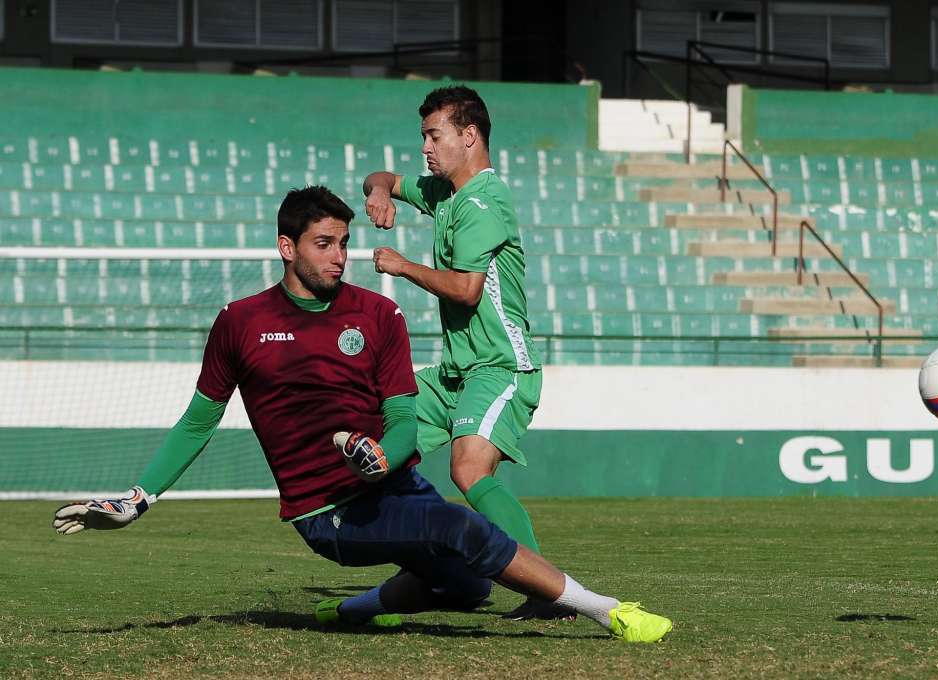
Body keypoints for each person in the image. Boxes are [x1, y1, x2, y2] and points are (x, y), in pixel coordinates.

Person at [52, 186, 672, 643]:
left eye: (344, 244)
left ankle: (351, 610)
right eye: (323, 244)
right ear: (286, 247)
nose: (338, 257)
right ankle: (606, 610)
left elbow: (402, 418)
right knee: (458, 527)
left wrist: (383, 456)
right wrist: (139, 497)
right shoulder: (240, 323)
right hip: (326, 512)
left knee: (468, 586)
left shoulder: (378, 314)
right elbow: (198, 421)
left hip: (392, 483)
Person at [363, 86, 552, 619]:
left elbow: (467, 290)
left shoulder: (484, 203)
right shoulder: (446, 194)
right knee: (376, 439)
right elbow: (382, 177)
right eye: (423, 136)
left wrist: (403, 266)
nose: (424, 147)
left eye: (433, 136)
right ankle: (438, 572)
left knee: (469, 470)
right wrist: (379, 193)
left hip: (500, 367)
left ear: (469, 137)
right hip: (454, 374)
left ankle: (547, 591)